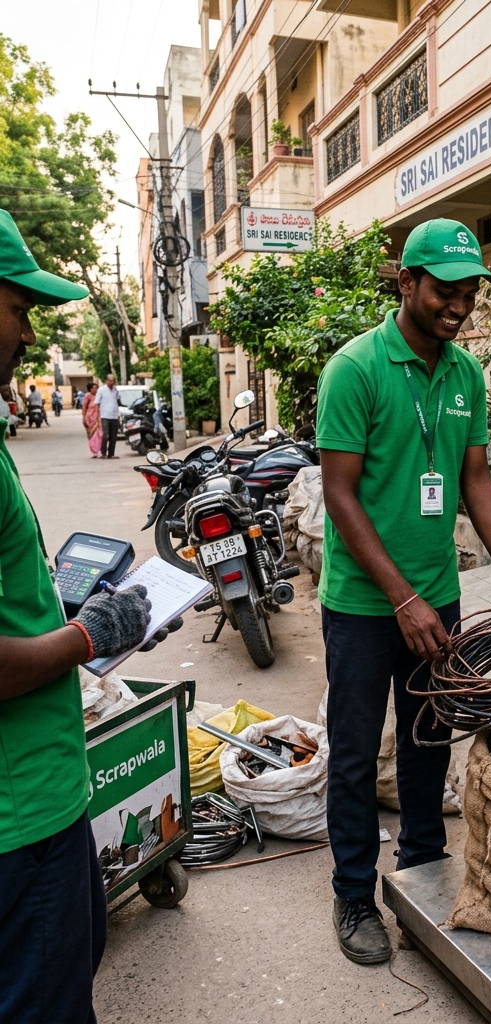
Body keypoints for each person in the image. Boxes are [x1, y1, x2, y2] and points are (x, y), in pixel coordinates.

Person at [317, 219, 491, 965]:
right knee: (353, 754)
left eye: (471, 293)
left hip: (437, 599)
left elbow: (474, 476)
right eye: (446, 291)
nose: (459, 307)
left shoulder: (465, 374)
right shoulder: (355, 369)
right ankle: (355, 893)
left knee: (426, 742)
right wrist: (401, 600)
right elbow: (341, 496)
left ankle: (419, 871)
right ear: (406, 282)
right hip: (362, 605)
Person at [0, 208, 180, 1024]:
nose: (28, 331)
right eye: (18, 308)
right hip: (18, 820)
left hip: (39, 800)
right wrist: (87, 635)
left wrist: (85, 622)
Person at [96, 373, 120, 458]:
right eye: (110, 380)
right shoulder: (101, 390)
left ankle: (111, 453)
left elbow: (117, 400)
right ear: (107, 381)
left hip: (114, 416)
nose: (112, 382)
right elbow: (97, 403)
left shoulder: (115, 390)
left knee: (113, 436)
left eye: (113, 380)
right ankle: (103, 453)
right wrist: (97, 416)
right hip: (104, 416)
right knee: (105, 435)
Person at [81, 381, 102, 458]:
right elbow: (84, 407)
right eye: (94, 388)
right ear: (90, 389)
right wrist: (83, 418)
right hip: (89, 418)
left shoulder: (99, 395)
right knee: (91, 435)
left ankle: (98, 450)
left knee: (99, 434)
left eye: (97, 388)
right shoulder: (87, 396)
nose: (96, 389)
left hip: (98, 418)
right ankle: (94, 452)